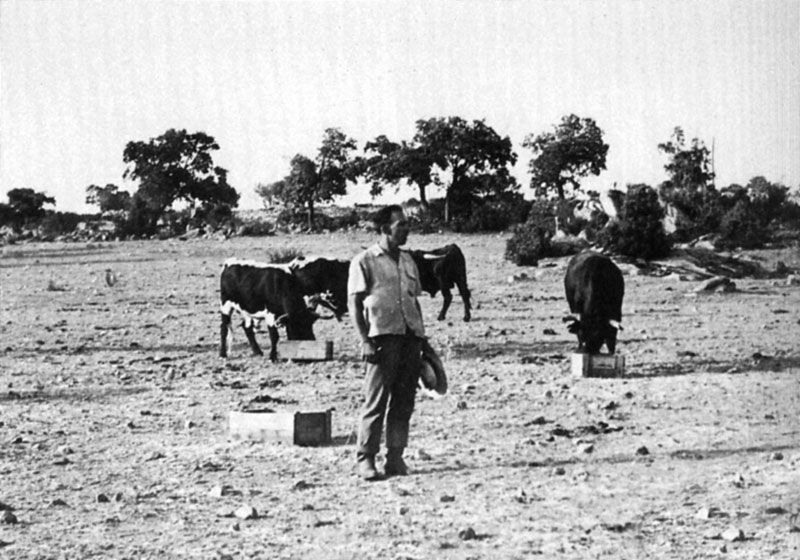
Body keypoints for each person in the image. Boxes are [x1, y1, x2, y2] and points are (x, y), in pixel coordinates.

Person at [348, 205, 425, 481]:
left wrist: (422, 340)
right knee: (376, 401)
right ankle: (365, 459)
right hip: (381, 339)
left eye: (406, 224)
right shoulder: (364, 261)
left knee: (404, 402)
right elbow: (354, 304)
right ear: (385, 229)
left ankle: (395, 458)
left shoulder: (407, 260)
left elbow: (413, 300)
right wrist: (364, 341)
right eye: (401, 225)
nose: (406, 229)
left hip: (409, 338)